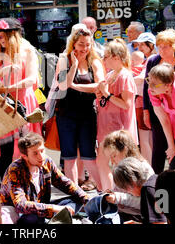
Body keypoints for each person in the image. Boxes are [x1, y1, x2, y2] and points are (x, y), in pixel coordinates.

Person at [0, 18, 42, 185]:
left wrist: (10, 88)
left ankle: (28, 183)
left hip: (23, 102)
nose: (0, 40)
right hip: (3, 103)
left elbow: (31, 79)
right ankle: (6, 184)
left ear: (12, 35)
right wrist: (4, 70)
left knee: (27, 146)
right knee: (4, 148)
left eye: (2, 37)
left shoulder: (27, 51)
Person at [0, 132, 89, 225]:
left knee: (77, 199)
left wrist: (87, 200)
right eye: (35, 153)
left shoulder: (47, 162)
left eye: (42, 151)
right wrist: (53, 208)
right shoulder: (15, 170)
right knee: (33, 217)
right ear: (24, 156)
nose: (41, 156)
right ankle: (59, 218)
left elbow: (64, 183)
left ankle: (59, 217)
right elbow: (21, 205)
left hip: (43, 207)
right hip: (20, 213)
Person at [54, 23, 103, 190]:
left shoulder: (94, 61)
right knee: (69, 157)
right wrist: (74, 65)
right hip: (66, 114)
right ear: (73, 43)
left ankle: (105, 190)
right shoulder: (64, 59)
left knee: (89, 155)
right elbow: (62, 85)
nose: (84, 48)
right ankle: (74, 193)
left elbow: (100, 86)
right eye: (81, 44)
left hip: (88, 114)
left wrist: (74, 85)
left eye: (88, 44)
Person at [142, 28, 175, 174]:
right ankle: (155, 181)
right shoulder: (153, 61)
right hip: (159, 109)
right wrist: (146, 111)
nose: (161, 50)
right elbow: (147, 87)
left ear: (174, 46)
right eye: (159, 46)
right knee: (158, 147)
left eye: (165, 46)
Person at [96, 38, 138, 191]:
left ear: (116, 57)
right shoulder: (111, 75)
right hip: (106, 127)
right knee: (102, 161)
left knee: (121, 165)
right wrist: (101, 96)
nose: (103, 59)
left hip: (118, 129)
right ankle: (108, 193)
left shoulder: (125, 76)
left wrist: (107, 94)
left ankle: (122, 195)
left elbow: (126, 104)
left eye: (106, 56)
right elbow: (105, 101)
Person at [102, 130, 154, 219]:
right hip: (119, 213)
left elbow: (148, 202)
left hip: (140, 215)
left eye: (114, 155)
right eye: (109, 157)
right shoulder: (118, 167)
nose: (112, 161)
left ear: (125, 150)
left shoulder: (143, 169)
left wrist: (119, 198)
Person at [111, 157, 166, 224]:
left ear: (132, 182)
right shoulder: (154, 180)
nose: (128, 192)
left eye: (125, 188)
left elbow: (162, 223)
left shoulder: (148, 190)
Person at [131, 32, 157, 164]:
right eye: (139, 44)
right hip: (147, 102)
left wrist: (125, 79)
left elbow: (142, 79)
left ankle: (148, 168)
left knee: (145, 137)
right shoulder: (151, 60)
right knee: (149, 138)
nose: (139, 47)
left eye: (142, 45)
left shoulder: (151, 60)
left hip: (144, 102)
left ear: (150, 45)